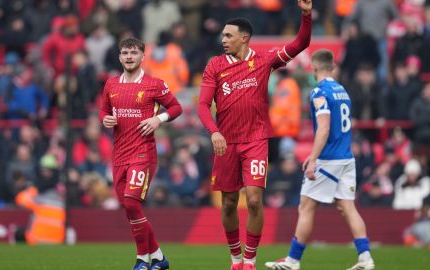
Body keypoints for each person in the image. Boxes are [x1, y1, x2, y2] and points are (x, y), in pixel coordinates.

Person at [197, 1, 312, 269]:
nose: (223, 39)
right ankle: (235, 258)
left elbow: (301, 44)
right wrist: (214, 132)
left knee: (254, 199)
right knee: (228, 203)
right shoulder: (215, 65)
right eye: (223, 35)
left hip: (256, 140)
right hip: (225, 142)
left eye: (228, 35)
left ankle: (249, 260)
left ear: (244, 38)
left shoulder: (263, 61)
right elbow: (202, 105)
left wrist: (306, 15)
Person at [265, 50, 375, 270]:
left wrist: (313, 158)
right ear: (332, 67)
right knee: (347, 207)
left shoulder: (319, 92)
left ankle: (293, 261)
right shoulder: (342, 91)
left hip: (328, 159)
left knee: (306, 206)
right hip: (346, 157)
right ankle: (365, 259)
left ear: (313, 68)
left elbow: (323, 128)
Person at [99, 37, 182, 270]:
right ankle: (158, 257)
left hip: (143, 153)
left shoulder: (154, 84)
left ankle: (142, 259)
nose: (129, 57)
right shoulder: (111, 84)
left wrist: (158, 118)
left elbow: (176, 107)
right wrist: (104, 119)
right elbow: (104, 109)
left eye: (133, 53)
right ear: (119, 56)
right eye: (125, 53)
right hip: (119, 155)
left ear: (142, 56)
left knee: (131, 203)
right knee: (128, 207)